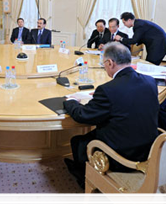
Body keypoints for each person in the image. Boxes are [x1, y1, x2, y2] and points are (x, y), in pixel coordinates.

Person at [63, 42, 159, 188]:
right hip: (149, 148)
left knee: (78, 141)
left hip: (122, 155)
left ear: (110, 62)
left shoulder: (108, 90)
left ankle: (85, 179)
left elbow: (83, 115)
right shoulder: (150, 81)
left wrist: (70, 101)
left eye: (104, 64)